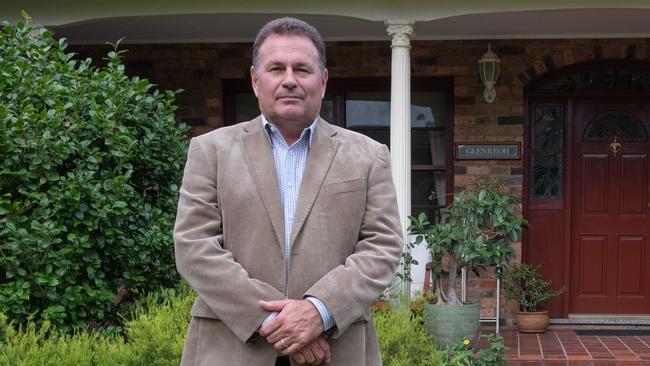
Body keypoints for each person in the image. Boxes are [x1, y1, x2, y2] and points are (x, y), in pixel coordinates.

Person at [173, 17, 403, 366]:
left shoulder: (369, 156)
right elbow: (193, 246)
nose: (290, 80)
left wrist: (318, 312)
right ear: (255, 79)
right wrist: (278, 324)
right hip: (231, 350)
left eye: (302, 69)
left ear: (323, 81)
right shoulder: (211, 151)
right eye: (276, 68)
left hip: (335, 350)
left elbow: (383, 246)